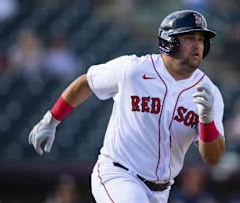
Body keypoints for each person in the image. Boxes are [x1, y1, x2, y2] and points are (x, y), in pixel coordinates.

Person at [28, 10, 225, 203]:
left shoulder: (209, 92)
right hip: (118, 175)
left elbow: (213, 157)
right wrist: (51, 120)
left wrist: (206, 121)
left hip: (161, 190)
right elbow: (87, 82)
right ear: (169, 41)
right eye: (189, 37)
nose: (197, 45)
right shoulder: (133, 70)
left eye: (201, 39)